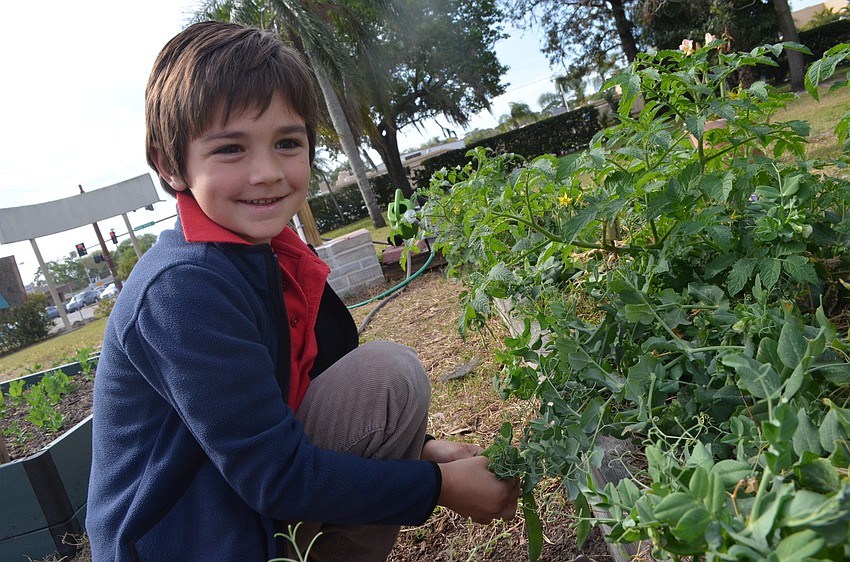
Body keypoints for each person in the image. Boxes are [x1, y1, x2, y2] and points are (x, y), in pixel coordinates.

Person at [86, 20, 518, 562]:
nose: (266, 172)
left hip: (235, 499)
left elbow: (284, 406)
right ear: (171, 164)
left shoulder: (262, 255)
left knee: (385, 379)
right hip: (186, 538)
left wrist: (423, 449)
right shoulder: (183, 288)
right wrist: (438, 486)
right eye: (230, 149)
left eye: (287, 142)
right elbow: (275, 474)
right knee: (388, 375)